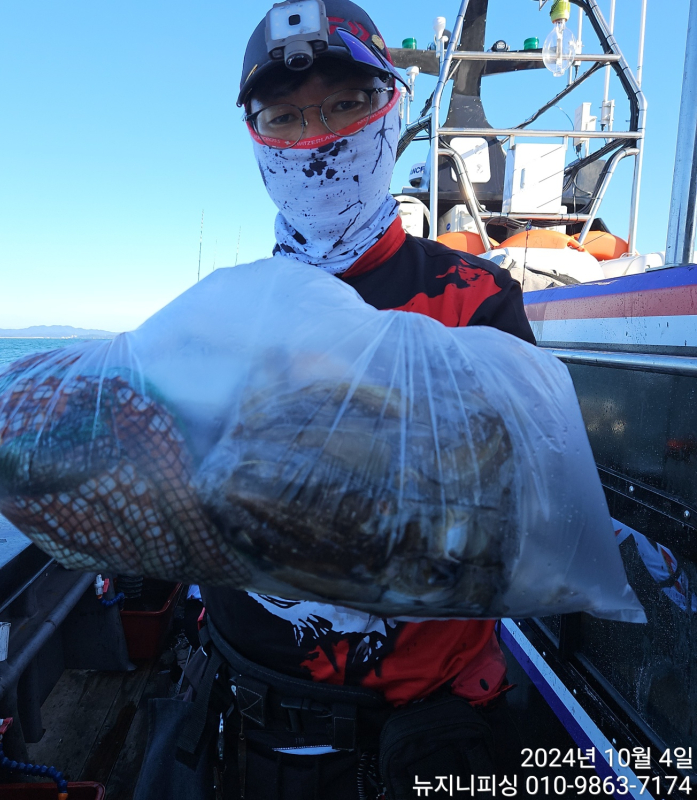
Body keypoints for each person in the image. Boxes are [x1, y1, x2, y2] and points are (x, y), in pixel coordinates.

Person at [136, 2, 535, 798]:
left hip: (423, 739)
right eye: (284, 117)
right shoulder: (219, 315)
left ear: (392, 111)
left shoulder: (472, 298)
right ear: (256, 139)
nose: (316, 137)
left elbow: (517, 508)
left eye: (345, 104)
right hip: (244, 720)